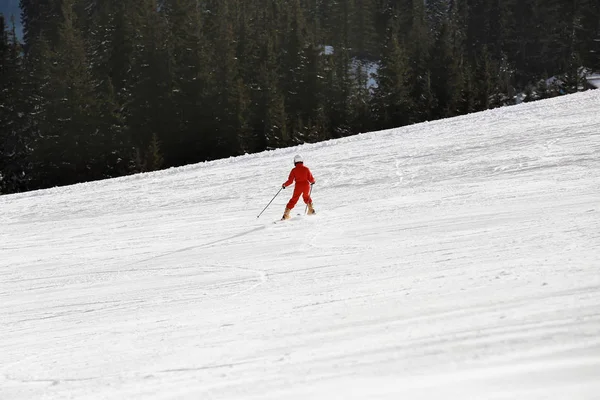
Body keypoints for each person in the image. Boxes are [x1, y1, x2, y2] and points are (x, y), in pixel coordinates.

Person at [281, 155, 316, 220]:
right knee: (306, 197)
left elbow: (290, 181)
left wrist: (284, 185)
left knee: (294, 199)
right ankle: (311, 209)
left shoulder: (294, 170)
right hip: (306, 186)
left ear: (295, 162)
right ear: (302, 161)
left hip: (298, 186)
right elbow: (311, 178)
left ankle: (286, 214)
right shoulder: (306, 169)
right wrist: (313, 181)